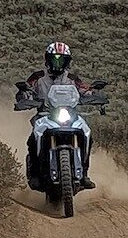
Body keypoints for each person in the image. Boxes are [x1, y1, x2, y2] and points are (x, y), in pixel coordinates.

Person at [19, 41, 96, 190]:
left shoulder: (72, 79)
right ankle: (35, 175)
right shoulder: (38, 77)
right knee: (32, 140)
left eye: (61, 59)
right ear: (47, 59)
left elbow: (84, 90)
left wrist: (93, 94)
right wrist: (24, 95)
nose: (57, 62)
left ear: (67, 61)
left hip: (69, 115)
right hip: (44, 115)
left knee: (87, 134)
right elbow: (27, 89)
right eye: (54, 58)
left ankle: (84, 173)